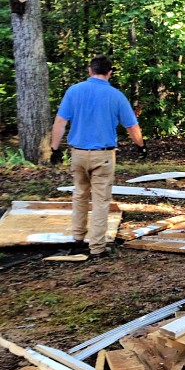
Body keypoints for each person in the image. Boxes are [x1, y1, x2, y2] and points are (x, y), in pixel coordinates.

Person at [50, 54, 147, 258]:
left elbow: (60, 122)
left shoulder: (74, 91)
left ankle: (77, 240)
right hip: (103, 156)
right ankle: (97, 248)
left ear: (90, 70)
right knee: (101, 200)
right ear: (109, 73)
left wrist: (55, 148)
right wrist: (141, 146)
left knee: (80, 195)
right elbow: (132, 126)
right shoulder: (116, 95)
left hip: (77, 154)